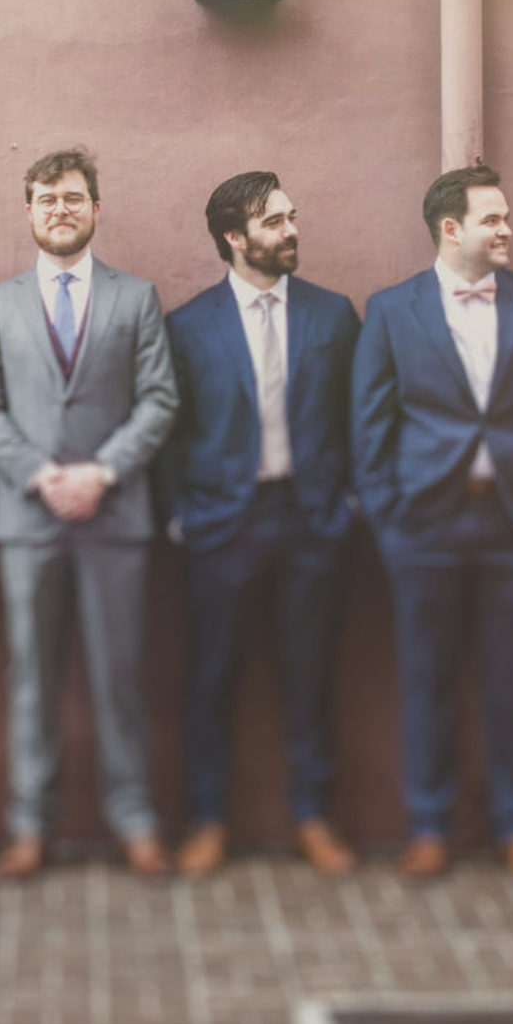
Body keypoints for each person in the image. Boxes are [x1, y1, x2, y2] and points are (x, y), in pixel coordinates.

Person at [351, 160, 513, 880]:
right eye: (493, 219)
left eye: (506, 217)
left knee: (512, 681)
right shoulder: (391, 309)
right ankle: (429, 826)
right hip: (423, 528)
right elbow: (369, 426)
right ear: (451, 229)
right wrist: (391, 518)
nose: (507, 229)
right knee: (427, 681)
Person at [0, 147, 179, 879]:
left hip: (115, 514)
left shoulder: (136, 298)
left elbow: (159, 399)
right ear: (29, 211)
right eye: (48, 198)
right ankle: (30, 825)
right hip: (28, 518)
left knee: (121, 675)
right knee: (32, 677)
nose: (61, 209)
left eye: (74, 197)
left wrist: (101, 472)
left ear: (95, 208)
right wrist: (40, 474)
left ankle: (135, 820)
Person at [161, 171, 363, 878]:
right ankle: (208, 820)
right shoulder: (189, 325)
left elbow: (360, 417)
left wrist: (349, 505)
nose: (291, 230)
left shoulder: (333, 316)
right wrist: (182, 516)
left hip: (313, 521)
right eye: (274, 221)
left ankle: (313, 817)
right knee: (212, 679)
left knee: (310, 676)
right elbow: (169, 433)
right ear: (234, 237)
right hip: (223, 527)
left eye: (290, 216)